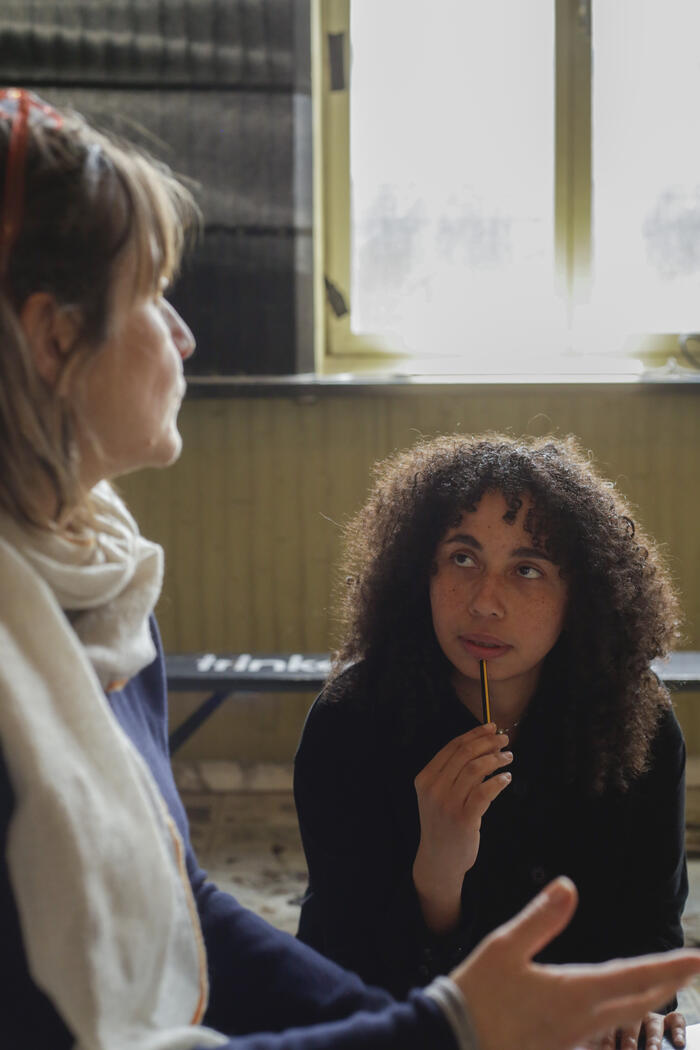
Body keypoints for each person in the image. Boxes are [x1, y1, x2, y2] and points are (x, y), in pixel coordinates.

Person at [0, 86, 698, 1050]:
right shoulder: (352, 718)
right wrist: (443, 1015)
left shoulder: (110, 592)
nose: (188, 335)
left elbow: (180, 912)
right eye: (153, 296)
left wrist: (438, 1026)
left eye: (530, 569)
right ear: (53, 337)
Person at [294, 433, 691, 1049]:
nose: (484, 601)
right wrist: (437, 881)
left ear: (579, 596)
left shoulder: (637, 722)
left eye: (526, 569)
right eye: (461, 558)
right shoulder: (351, 722)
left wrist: (637, 1005)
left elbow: (650, 929)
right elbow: (344, 970)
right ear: (419, 570)